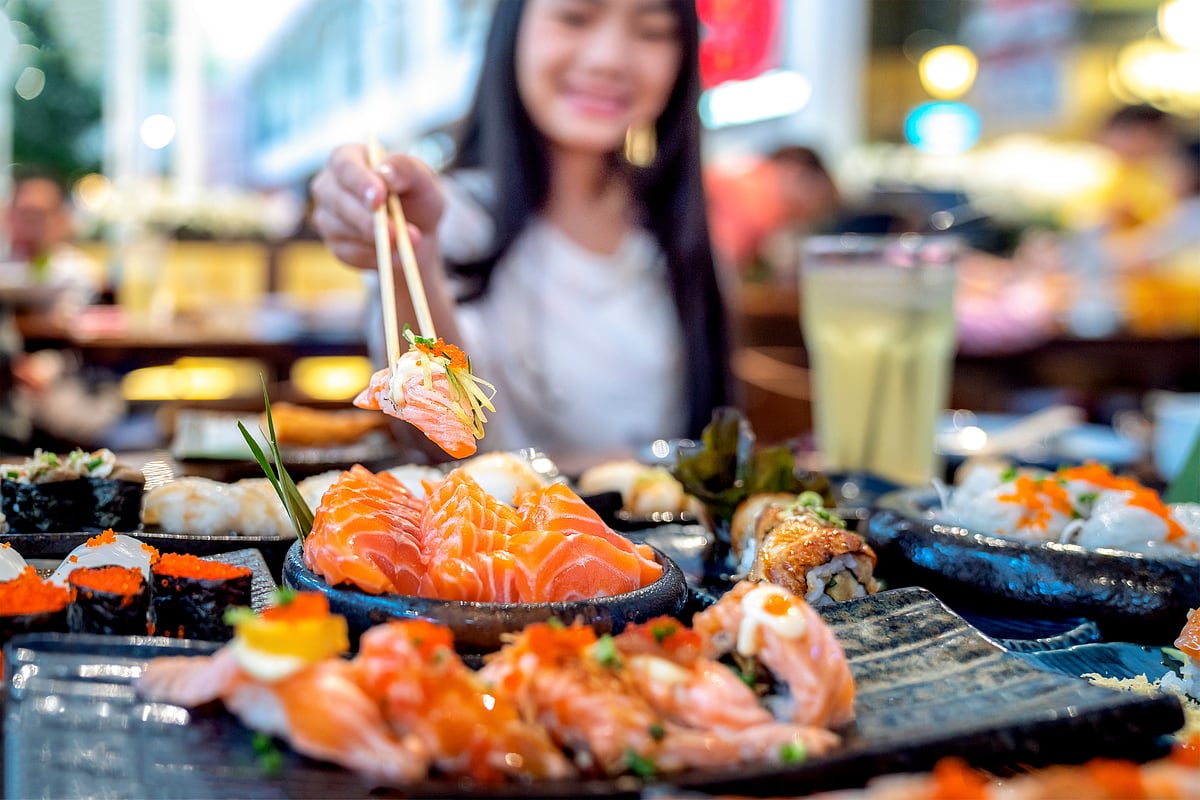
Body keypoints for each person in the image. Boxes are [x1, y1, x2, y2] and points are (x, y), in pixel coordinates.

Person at [310, 0, 730, 464]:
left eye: (652, 31)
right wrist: (413, 255)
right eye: (575, 17)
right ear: (512, 30)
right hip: (495, 533)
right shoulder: (441, 214)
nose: (609, 57)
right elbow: (438, 438)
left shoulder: (675, 231)